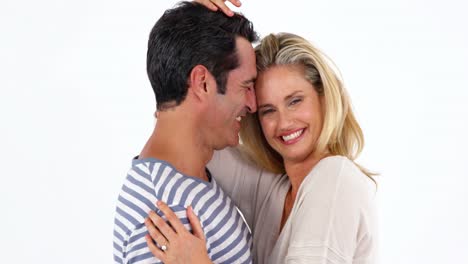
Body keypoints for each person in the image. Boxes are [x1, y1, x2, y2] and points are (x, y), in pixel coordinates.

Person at [144, 2, 378, 264]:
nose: (284, 122)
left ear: (324, 98)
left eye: (295, 101)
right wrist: (196, 29)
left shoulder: (335, 179)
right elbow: (187, 124)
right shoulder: (272, 191)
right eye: (268, 110)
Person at [112, 2, 260, 263]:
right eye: (246, 86)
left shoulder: (191, 173)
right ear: (202, 83)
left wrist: (193, 23)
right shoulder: (166, 215)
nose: (253, 104)